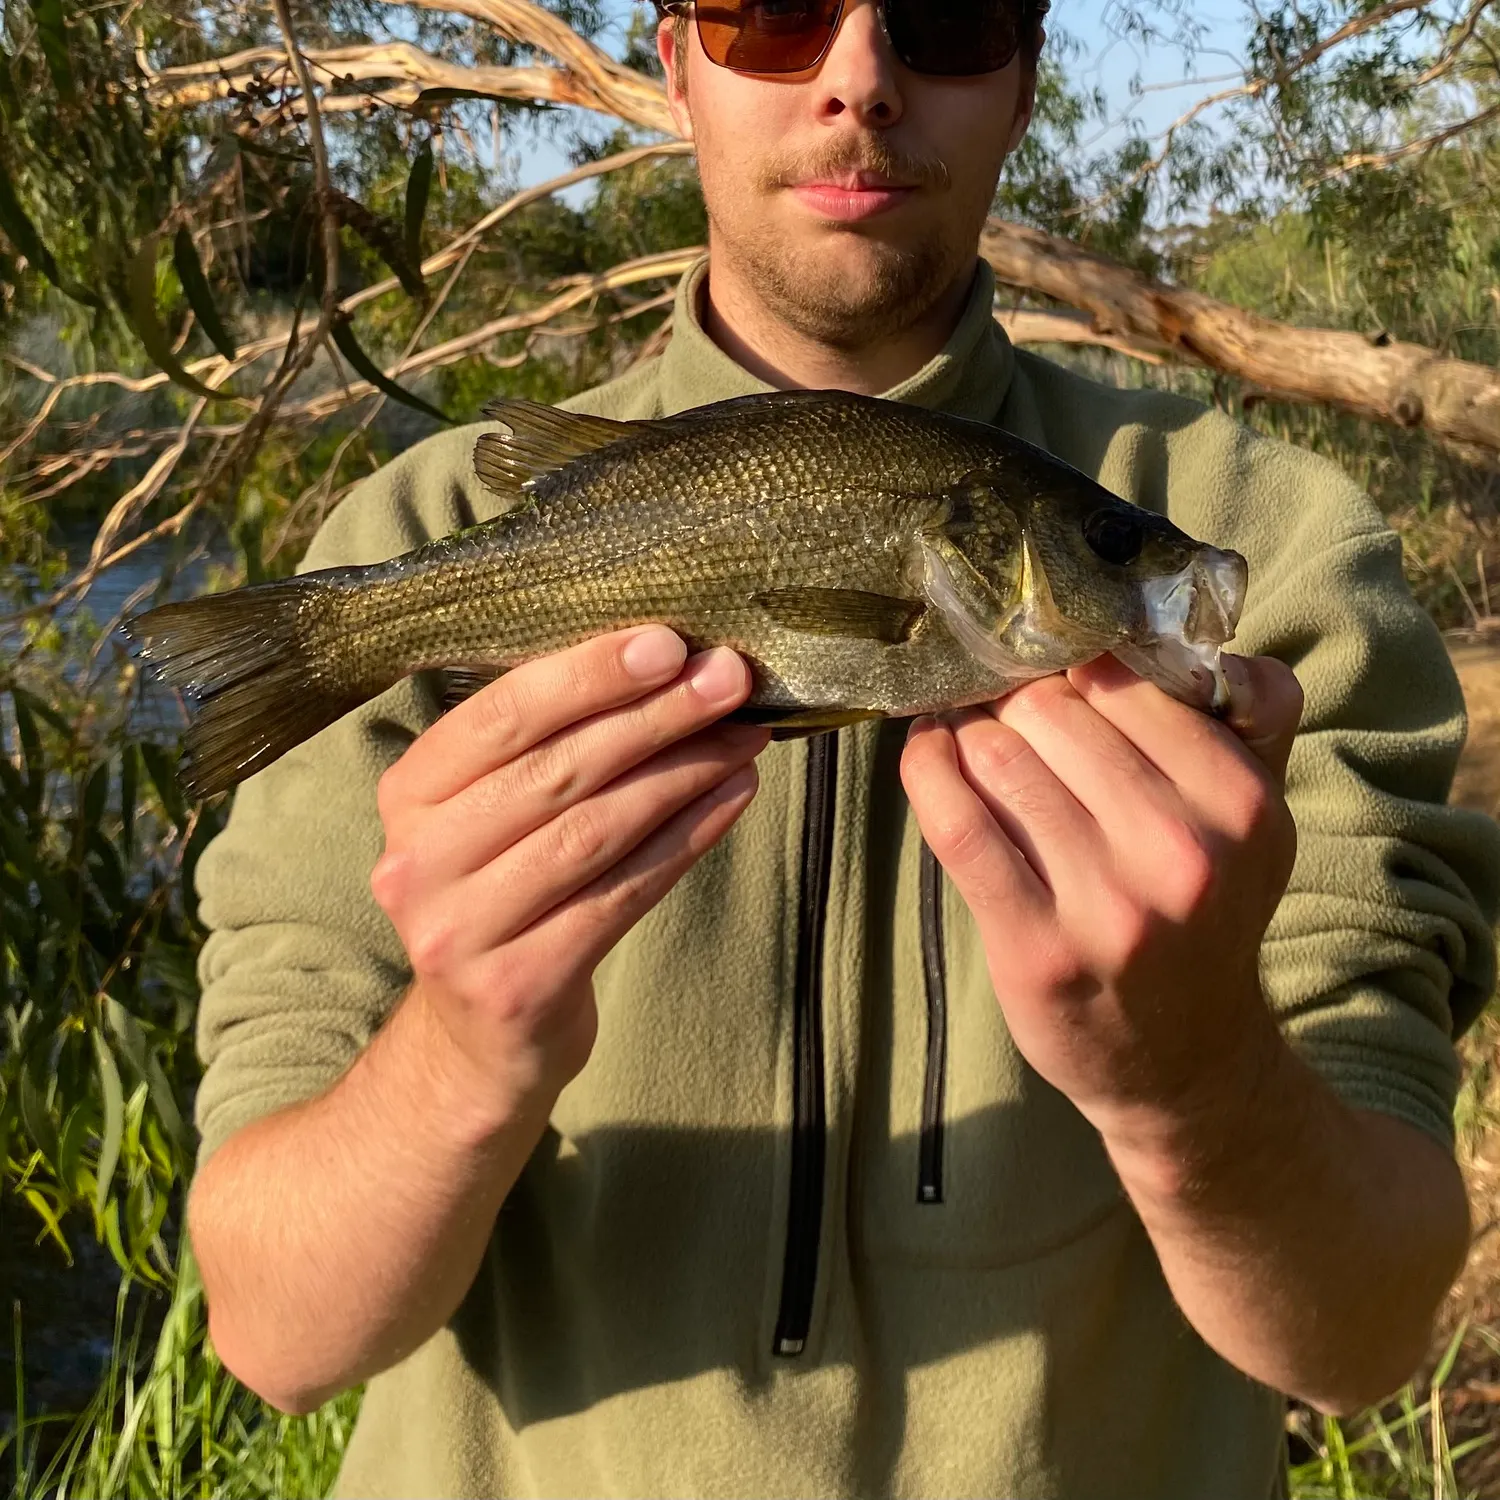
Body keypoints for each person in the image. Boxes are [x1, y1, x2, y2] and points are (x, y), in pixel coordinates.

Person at [184, 2, 1500, 1496]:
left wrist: (1194, 1078)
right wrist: (464, 1048)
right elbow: (276, 1334)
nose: (861, 81)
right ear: (676, 68)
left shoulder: (1285, 556)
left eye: (948, 19)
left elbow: (1364, 1334)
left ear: (1025, 82)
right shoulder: (415, 543)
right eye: (770, 17)